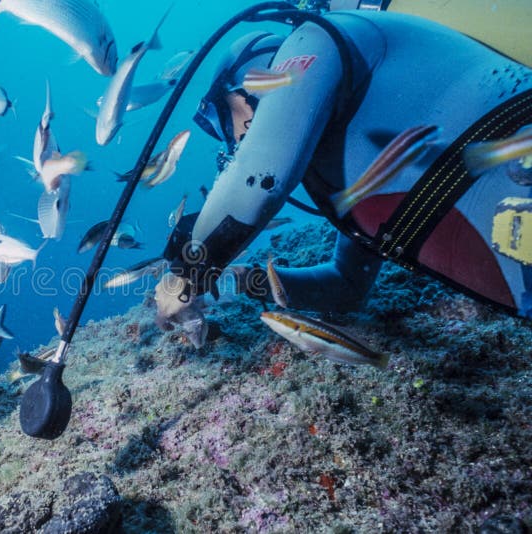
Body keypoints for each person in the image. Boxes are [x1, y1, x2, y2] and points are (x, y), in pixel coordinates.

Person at [154, 2, 532, 346]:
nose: (229, 143)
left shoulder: (315, 37)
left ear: (240, 87)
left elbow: (261, 178)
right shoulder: (349, 161)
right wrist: (242, 280)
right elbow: (346, 286)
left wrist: (186, 273)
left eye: (220, 118)